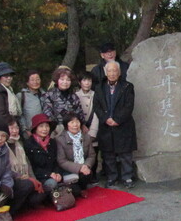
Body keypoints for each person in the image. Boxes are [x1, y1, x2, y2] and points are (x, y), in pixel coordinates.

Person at [93, 61, 137, 189]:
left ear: (119, 72)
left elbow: (129, 106)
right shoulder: (99, 87)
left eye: (115, 71)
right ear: (106, 73)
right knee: (108, 154)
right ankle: (112, 177)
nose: (112, 73)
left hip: (123, 125)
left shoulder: (127, 86)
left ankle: (127, 176)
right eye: (110, 71)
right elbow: (97, 106)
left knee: (125, 154)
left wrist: (117, 119)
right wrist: (106, 118)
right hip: (106, 125)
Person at [56, 113, 97, 196]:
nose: (75, 125)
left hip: (83, 168)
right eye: (72, 122)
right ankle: (76, 189)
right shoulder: (60, 139)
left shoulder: (86, 137)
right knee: (75, 191)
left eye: (77, 122)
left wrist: (86, 165)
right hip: (67, 170)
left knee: (87, 174)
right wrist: (79, 168)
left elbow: (91, 155)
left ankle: (82, 187)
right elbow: (62, 161)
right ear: (66, 125)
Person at [24, 113, 63, 196]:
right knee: (52, 184)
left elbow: (56, 161)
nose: (45, 129)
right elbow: (32, 167)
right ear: (35, 128)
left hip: (53, 174)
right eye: (41, 126)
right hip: (40, 177)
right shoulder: (29, 144)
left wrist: (57, 173)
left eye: (47, 126)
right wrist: (48, 174)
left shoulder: (52, 142)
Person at [41, 66, 85, 137]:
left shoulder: (74, 96)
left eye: (68, 80)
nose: (65, 82)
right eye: (62, 79)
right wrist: (58, 127)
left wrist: (77, 124)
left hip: (73, 130)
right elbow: (47, 114)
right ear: (57, 80)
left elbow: (80, 113)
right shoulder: (49, 95)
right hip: (56, 131)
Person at [4, 117, 42, 193]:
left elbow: (28, 164)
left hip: (26, 177)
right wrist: (19, 176)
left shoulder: (20, 143)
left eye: (17, 128)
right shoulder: (2, 146)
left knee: (43, 190)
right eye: (11, 128)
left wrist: (34, 180)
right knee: (28, 185)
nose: (15, 131)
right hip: (11, 180)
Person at [75, 71, 99, 182]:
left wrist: (93, 131)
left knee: (93, 151)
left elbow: (97, 113)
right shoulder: (75, 96)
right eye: (84, 80)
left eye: (89, 80)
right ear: (80, 82)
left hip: (94, 127)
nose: (87, 83)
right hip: (79, 128)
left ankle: (93, 174)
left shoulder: (96, 94)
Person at [19, 70, 45, 138]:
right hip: (29, 132)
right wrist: (25, 129)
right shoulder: (21, 96)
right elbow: (19, 115)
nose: (35, 82)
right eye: (32, 80)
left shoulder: (45, 95)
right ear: (27, 82)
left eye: (38, 79)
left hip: (45, 131)